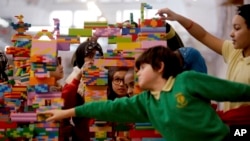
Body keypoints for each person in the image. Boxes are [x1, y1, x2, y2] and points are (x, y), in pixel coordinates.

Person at [41, 45, 250, 141]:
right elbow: (106, 107)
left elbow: (236, 91)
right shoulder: (146, 101)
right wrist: (66, 113)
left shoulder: (186, 80)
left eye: (142, 68)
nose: (137, 73)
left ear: (159, 66)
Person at [156, 4, 250, 137]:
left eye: (237, 28)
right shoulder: (234, 51)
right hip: (231, 123)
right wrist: (177, 18)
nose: (231, 33)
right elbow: (204, 35)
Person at [59, 39, 103, 141]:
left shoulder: (105, 76)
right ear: (81, 58)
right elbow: (65, 104)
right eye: (90, 56)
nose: (95, 60)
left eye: (98, 56)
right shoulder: (73, 79)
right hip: (83, 135)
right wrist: (78, 78)